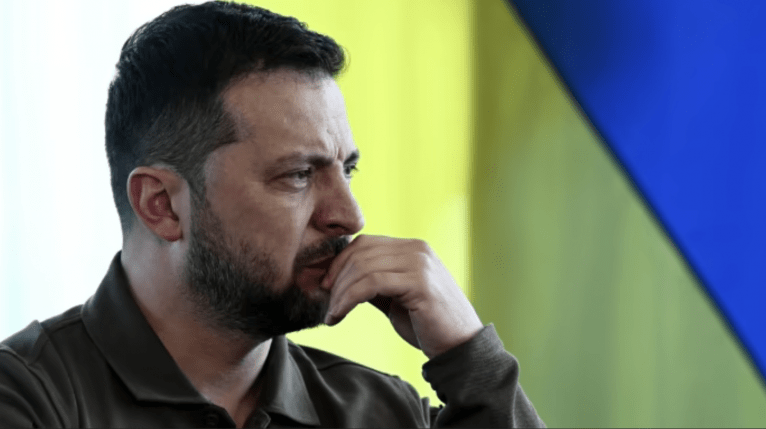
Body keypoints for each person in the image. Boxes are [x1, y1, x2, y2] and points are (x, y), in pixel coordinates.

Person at [0, 2, 544, 427]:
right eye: (299, 175)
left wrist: (468, 357)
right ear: (160, 205)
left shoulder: (383, 412)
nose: (349, 216)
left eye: (346, 170)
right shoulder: (27, 399)